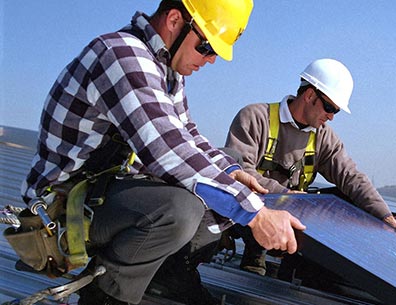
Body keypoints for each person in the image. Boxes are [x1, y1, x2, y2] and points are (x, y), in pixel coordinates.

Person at [20, 1, 305, 304]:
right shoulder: (122, 56)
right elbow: (166, 150)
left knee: (229, 165)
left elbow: (188, 135)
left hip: (101, 190)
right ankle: (105, 294)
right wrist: (255, 214)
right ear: (173, 21)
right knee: (180, 209)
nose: (209, 60)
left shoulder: (165, 68)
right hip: (63, 208)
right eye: (206, 47)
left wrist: (234, 175)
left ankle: (168, 273)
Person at [224, 58, 396, 276]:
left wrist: (387, 220)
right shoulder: (255, 118)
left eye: (335, 111)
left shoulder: (323, 136)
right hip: (253, 214)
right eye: (329, 107)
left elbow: (351, 177)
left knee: (344, 200)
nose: (331, 117)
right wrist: (287, 195)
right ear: (309, 95)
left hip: (296, 216)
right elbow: (240, 173)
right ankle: (254, 259)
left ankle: (296, 270)